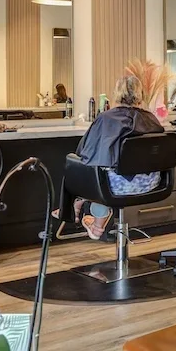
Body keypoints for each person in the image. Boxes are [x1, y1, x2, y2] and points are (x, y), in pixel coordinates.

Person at [63, 73, 162, 239]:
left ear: (116, 93)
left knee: (78, 163)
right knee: (103, 167)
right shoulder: (151, 118)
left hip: (117, 187)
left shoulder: (107, 118)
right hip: (151, 184)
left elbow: (87, 154)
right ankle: (80, 205)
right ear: (140, 94)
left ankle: (92, 220)